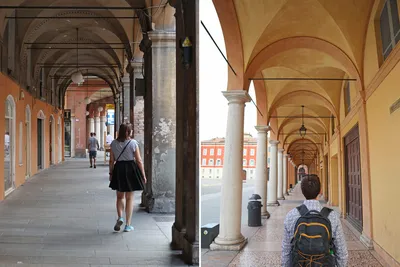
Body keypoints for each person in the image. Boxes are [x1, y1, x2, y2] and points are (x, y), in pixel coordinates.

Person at [281, 175, 348, 267]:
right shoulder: (332, 216)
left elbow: (286, 251)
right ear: (320, 191)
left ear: (302, 191)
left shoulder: (291, 215)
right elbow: (341, 251)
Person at [109, 123, 146, 232]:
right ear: (127, 132)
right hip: (130, 169)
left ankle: (120, 217)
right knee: (129, 198)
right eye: (131, 130)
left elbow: (111, 160)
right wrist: (143, 174)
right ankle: (128, 225)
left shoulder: (113, 143)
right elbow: (139, 160)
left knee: (120, 196)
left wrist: (111, 173)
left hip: (119, 168)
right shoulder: (133, 143)